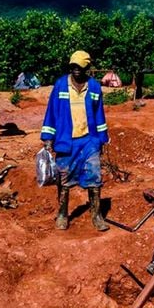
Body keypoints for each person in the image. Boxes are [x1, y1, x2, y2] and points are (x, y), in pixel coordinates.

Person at [41, 50, 110, 231]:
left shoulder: (94, 87)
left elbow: (99, 114)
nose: (76, 70)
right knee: (64, 179)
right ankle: (63, 214)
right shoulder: (60, 85)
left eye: (80, 66)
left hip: (89, 141)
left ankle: (96, 216)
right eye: (73, 66)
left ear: (87, 67)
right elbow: (52, 112)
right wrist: (48, 138)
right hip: (66, 140)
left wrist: (102, 139)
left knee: (94, 177)